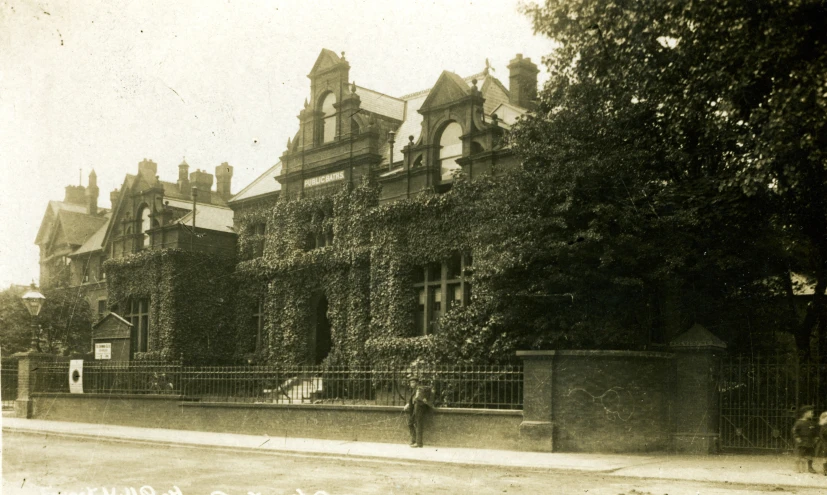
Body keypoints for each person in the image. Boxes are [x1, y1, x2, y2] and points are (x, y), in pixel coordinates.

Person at [404, 375, 432, 448]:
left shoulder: (420, 389)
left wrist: (412, 402)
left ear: (417, 383)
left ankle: (419, 443)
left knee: (418, 424)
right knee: (410, 423)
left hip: (419, 409)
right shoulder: (414, 390)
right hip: (415, 409)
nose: (412, 384)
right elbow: (413, 399)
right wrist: (408, 404)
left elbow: (419, 399)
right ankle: (414, 440)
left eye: (413, 382)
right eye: (411, 383)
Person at [792, 405, 818, 473]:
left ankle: (810, 467)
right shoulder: (799, 422)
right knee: (799, 455)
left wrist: (816, 437)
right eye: (811, 412)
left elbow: (815, 431)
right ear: (805, 413)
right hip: (801, 441)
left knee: (810, 455)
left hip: (810, 441)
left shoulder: (812, 422)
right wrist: (797, 437)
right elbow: (794, 431)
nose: (812, 414)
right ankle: (797, 468)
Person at [815, 411, 827, 476]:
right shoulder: (823, 426)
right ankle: (825, 470)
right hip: (825, 443)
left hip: (825, 442)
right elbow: (823, 435)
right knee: (825, 457)